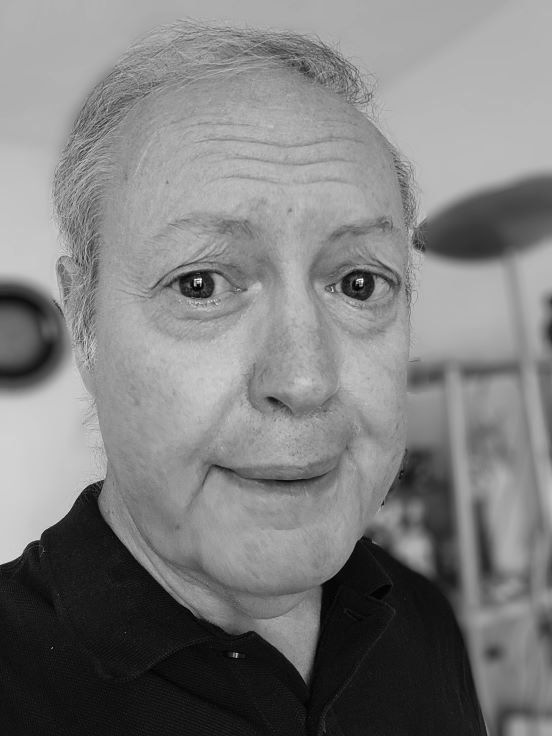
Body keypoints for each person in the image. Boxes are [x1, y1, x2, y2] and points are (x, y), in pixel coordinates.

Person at [0, 18, 487, 735]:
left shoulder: (421, 616)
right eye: (199, 284)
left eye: (358, 283)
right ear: (82, 319)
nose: (305, 380)